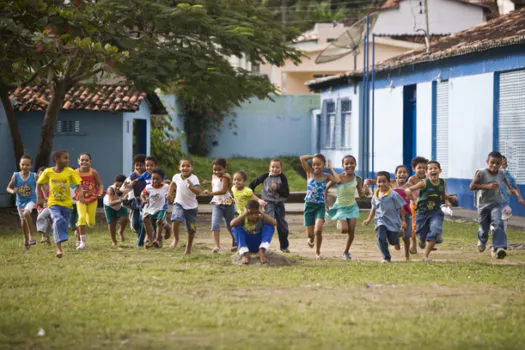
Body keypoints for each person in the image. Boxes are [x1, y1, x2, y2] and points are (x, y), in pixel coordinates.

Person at [36, 150, 84, 258]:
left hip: (67, 204)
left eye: (68, 158)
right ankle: (58, 248)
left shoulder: (70, 171)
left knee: (63, 222)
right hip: (53, 203)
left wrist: (80, 194)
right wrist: (39, 198)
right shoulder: (48, 172)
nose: (68, 160)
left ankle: (61, 236)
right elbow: (38, 183)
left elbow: (78, 185)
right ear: (56, 160)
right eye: (65, 158)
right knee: (57, 219)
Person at [470, 151, 515, 259]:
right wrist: (487, 186)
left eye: (497, 163)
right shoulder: (481, 173)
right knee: (484, 227)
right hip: (482, 204)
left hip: (495, 202)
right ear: (487, 162)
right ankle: (482, 240)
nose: (494, 165)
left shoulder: (501, 173)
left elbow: (503, 178)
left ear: (500, 164)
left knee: (498, 222)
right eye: (492, 163)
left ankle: (499, 247)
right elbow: (472, 186)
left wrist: (509, 188)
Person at [406, 161, 451, 261]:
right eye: (430, 169)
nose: (433, 170)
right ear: (427, 172)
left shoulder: (443, 182)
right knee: (421, 232)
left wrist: (446, 201)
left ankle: (426, 256)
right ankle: (422, 239)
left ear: (440, 170)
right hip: (422, 212)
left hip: (436, 211)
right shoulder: (424, 183)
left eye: (435, 168)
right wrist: (410, 193)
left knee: (435, 229)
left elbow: (442, 193)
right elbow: (410, 189)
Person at [299, 154, 340, 259]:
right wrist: (314, 155)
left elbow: (337, 180)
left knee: (318, 230)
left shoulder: (326, 176)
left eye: (319, 164)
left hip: (320, 207)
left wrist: (331, 169)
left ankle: (317, 252)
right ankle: (310, 239)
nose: (316, 167)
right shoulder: (309, 173)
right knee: (310, 235)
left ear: (323, 165)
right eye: (314, 164)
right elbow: (302, 158)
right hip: (309, 206)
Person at [325, 155, 364, 260]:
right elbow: (326, 188)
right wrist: (325, 202)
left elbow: (361, 195)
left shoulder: (358, 179)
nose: (349, 165)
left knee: (352, 230)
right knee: (344, 229)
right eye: (346, 163)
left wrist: (365, 191)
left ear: (355, 165)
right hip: (341, 207)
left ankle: (346, 252)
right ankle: (340, 221)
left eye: (352, 163)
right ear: (343, 166)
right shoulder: (339, 178)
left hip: (352, 207)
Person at [363, 171, 406, 263]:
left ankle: (396, 240)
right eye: (379, 182)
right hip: (380, 221)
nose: (381, 184)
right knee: (381, 238)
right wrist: (368, 219)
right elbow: (373, 209)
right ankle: (386, 257)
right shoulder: (375, 195)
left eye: (384, 181)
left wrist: (403, 221)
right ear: (376, 182)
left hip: (393, 222)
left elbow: (401, 207)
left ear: (388, 182)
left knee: (393, 241)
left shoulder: (394, 195)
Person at [249, 159, 290, 253]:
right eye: (273, 167)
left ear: (281, 168)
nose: (274, 169)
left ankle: (284, 246)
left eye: (277, 167)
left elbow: (286, 193)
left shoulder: (282, 177)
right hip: (268, 203)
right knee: (269, 223)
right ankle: (262, 245)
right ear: (269, 167)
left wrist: (278, 188)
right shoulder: (265, 176)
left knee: (282, 225)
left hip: (279, 204)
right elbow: (253, 184)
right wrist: (252, 196)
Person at [167, 158, 201, 255]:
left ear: (192, 168)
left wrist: (191, 187)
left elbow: (198, 192)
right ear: (179, 167)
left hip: (191, 208)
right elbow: (173, 184)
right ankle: (176, 239)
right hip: (179, 204)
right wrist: (169, 194)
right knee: (176, 219)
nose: (185, 168)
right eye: (183, 166)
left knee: (191, 229)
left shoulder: (194, 178)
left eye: (188, 166)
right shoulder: (176, 177)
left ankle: (188, 248)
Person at [203, 157, 236, 253]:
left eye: (219, 169)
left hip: (228, 204)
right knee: (215, 224)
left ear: (224, 169)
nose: (217, 171)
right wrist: (209, 182)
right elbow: (216, 183)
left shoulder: (225, 177)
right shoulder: (214, 176)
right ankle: (216, 246)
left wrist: (210, 193)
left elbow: (223, 190)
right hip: (217, 204)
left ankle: (235, 242)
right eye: (214, 169)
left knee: (230, 225)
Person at [6, 154, 38, 249]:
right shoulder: (15, 175)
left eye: (27, 165)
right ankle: (26, 239)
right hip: (20, 202)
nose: (25, 167)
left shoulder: (34, 176)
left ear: (30, 166)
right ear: (20, 164)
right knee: (23, 222)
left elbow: (40, 186)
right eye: (23, 164)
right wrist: (12, 191)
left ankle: (31, 237)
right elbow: (8, 188)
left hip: (31, 200)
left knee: (26, 213)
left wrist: (41, 197)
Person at [231, 200, 276, 265]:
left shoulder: (261, 218)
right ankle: (245, 254)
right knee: (235, 228)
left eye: (256, 213)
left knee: (269, 227)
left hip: (258, 244)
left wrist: (262, 213)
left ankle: (261, 251)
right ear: (247, 213)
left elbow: (274, 223)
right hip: (247, 244)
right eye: (251, 213)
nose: (254, 216)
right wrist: (244, 213)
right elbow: (232, 224)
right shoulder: (243, 218)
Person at [75, 153, 104, 250]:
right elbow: (70, 184)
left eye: (86, 160)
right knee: (81, 218)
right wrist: (78, 193)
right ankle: (82, 243)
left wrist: (100, 193)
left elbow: (100, 184)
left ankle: (78, 228)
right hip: (81, 199)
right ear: (78, 161)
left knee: (91, 223)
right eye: (82, 160)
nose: (84, 162)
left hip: (92, 198)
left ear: (90, 162)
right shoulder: (75, 173)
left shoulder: (93, 172)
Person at [141, 169, 170, 248]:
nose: (155, 181)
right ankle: (151, 240)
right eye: (153, 178)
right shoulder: (148, 187)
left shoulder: (166, 187)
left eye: (157, 179)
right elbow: (142, 194)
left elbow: (171, 192)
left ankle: (157, 240)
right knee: (146, 220)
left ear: (162, 180)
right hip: (151, 208)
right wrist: (143, 200)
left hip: (161, 208)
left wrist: (171, 197)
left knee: (159, 221)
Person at [406, 156, 429, 254]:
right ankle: (414, 244)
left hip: (427, 206)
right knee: (414, 225)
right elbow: (409, 191)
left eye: (424, 168)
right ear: (414, 169)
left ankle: (423, 240)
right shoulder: (412, 179)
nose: (422, 170)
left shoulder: (428, 179)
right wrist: (415, 200)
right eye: (419, 167)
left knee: (427, 224)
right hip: (414, 206)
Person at [125, 154, 147, 246]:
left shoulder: (148, 175)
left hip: (145, 201)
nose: (138, 167)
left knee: (143, 221)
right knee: (135, 223)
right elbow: (125, 187)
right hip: (135, 201)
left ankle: (140, 241)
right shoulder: (132, 176)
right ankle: (139, 235)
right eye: (136, 165)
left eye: (140, 165)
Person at [499, 155, 525, 231]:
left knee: (504, 224)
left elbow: (516, 188)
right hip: (494, 203)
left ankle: (502, 239)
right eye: (499, 163)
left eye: (503, 164)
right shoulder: (493, 175)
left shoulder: (510, 177)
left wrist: (520, 198)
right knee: (495, 224)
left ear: (506, 165)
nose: (501, 166)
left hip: (505, 203)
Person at [103, 174, 129, 248]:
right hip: (109, 205)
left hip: (120, 205)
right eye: (116, 185)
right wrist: (121, 200)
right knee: (111, 223)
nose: (118, 188)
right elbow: (111, 203)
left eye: (120, 186)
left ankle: (120, 231)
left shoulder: (127, 189)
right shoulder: (111, 189)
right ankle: (114, 241)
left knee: (125, 218)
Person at [392, 165, 412, 261]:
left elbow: (414, 196)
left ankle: (407, 255)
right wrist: (366, 183)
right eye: (399, 172)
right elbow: (376, 182)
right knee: (395, 232)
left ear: (407, 175)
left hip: (406, 213)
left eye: (404, 172)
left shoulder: (409, 186)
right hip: (393, 213)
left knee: (406, 236)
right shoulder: (391, 184)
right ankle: (396, 243)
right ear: (395, 175)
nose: (402, 174)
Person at [35, 166, 52, 244]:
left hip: (49, 206)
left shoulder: (50, 184)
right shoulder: (37, 185)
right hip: (40, 206)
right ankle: (46, 237)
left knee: (41, 217)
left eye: (44, 175)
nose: (42, 176)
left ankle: (44, 235)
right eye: (40, 174)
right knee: (46, 221)